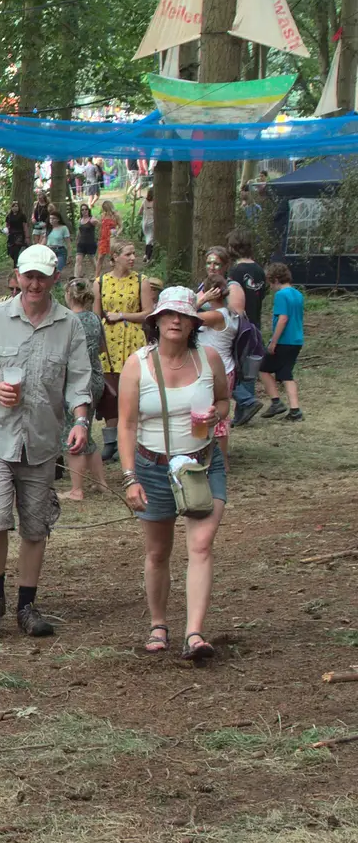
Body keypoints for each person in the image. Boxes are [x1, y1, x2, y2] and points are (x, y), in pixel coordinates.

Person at [0, 244, 94, 638]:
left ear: (55, 279)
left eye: (42, 276)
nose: (34, 283)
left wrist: (81, 421)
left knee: (35, 526)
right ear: (16, 276)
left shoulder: (70, 325)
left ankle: (27, 605)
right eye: (27, 276)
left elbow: (80, 382)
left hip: (41, 439)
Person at [117, 287, 230, 661]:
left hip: (201, 465)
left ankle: (195, 633)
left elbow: (225, 400)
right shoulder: (138, 364)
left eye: (183, 316)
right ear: (156, 321)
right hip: (153, 467)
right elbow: (127, 425)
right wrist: (130, 477)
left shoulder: (208, 358)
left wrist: (218, 412)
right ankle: (159, 623)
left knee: (200, 545)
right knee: (158, 551)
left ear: (194, 323)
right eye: (169, 315)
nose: (176, 321)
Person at [94, 240, 158, 463]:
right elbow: (96, 316)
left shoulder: (142, 281)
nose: (133, 258)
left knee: (133, 391)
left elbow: (149, 313)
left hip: (132, 340)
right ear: (114, 257)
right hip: (108, 344)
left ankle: (134, 441)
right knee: (109, 391)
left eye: (134, 254)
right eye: (128, 254)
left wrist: (122, 316)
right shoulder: (100, 282)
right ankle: (110, 441)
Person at [59, 280, 107, 502]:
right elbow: (102, 348)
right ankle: (101, 483)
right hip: (97, 378)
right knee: (86, 428)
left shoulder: (67, 320)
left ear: (68, 295)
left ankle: (77, 489)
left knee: (73, 429)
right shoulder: (94, 318)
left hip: (76, 381)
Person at [193, 270, 240, 456]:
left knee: (213, 414)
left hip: (215, 370)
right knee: (216, 414)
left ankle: (218, 460)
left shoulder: (216, 316)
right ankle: (209, 455)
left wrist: (201, 301)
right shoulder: (231, 312)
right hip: (225, 368)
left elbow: (184, 318)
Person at [224, 228, 266, 425]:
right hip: (255, 324)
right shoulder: (259, 270)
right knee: (249, 369)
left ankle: (246, 402)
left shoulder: (236, 271)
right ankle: (243, 412)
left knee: (233, 367)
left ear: (234, 247)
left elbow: (232, 299)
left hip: (240, 325)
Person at [262, 262, 304, 421]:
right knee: (286, 374)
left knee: (263, 368)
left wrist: (273, 341)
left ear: (276, 279)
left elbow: (283, 318)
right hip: (297, 340)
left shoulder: (281, 295)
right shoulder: (297, 294)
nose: (270, 286)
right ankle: (295, 410)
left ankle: (276, 401)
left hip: (284, 340)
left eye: (270, 282)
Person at [95, 199, 120, 276]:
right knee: (100, 258)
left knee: (113, 257)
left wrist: (117, 233)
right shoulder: (103, 216)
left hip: (112, 237)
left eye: (106, 208)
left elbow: (121, 226)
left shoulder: (116, 216)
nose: (105, 210)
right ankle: (96, 276)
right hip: (103, 238)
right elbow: (100, 226)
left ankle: (116, 274)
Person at [74, 203, 98, 279]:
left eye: (86, 209)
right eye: (82, 209)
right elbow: (79, 231)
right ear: (81, 211)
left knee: (92, 260)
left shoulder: (92, 219)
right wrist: (77, 240)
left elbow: (101, 226)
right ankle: (76, 278)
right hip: (81, 244)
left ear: (88, 210)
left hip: (90, 243)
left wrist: (100, 238)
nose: (84, 211)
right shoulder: (80, 220)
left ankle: (97, 275)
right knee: (78, 260)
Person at [46, 207, 70, 273]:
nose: (51, 220)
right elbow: (44, 241)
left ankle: (57, 280)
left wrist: (69, 254)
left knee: (58, 269)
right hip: (50, 251)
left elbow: (68, 242)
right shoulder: (48, 229)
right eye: (50, 218)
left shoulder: (63, 228)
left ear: (58, 219)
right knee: (50, 270)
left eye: (54, 218)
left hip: (60, 250)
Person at [4, 200, 28, 264]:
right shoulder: (9, 216)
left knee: (16, 250)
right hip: (11, 234)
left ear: (19, 207)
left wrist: (26, 236)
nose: (15, 208)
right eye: (13, 206)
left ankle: (16, 264)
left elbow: (25, 226)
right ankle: (14, 260)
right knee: (10, 250)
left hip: (19, 234)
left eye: (16, 206)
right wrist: (6, 231)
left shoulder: (22, 216)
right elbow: (7, 225)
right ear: (11, 208)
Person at [140, 187, 156, 263]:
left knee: (147, 238)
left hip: (144, 222)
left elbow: (139, 212)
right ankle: (148, 257)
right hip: (152, 222)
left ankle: (146, 255)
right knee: (151, 240)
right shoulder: (155, 202)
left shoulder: (144, 201)